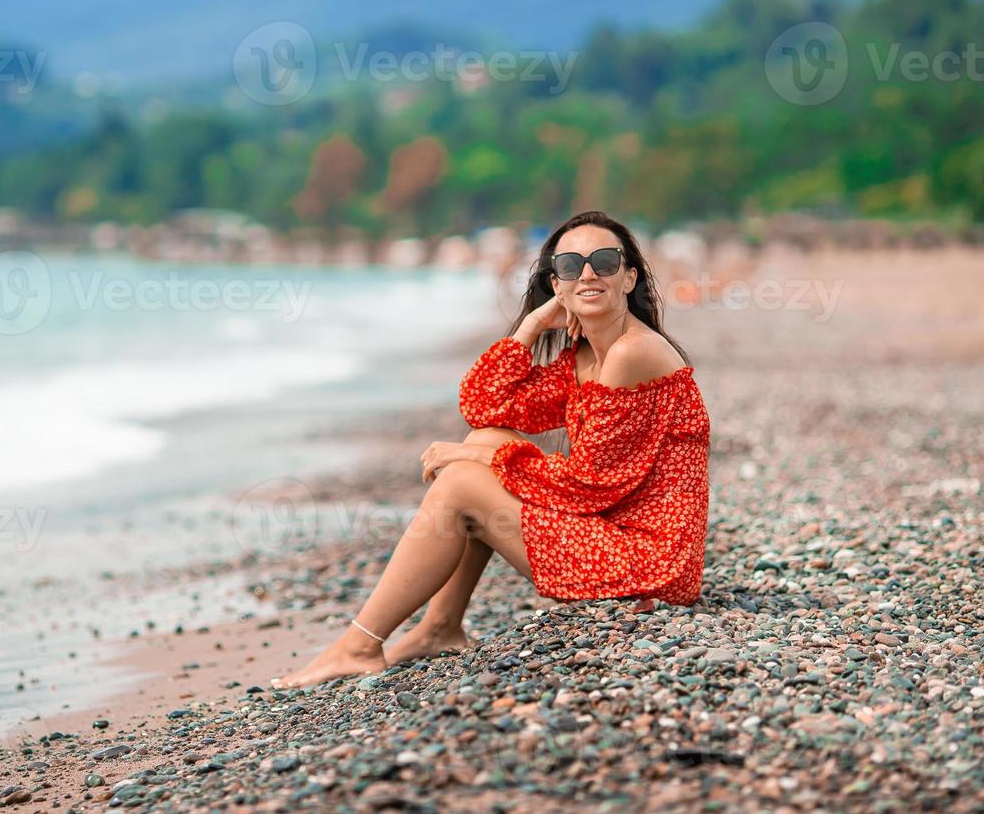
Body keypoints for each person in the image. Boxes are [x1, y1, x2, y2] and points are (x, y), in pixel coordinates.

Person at [273, 211, 711, 689]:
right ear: (556, 283)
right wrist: (536, 322)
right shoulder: (584, 355)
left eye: (604, 261)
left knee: (466, 475)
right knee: (484, 440)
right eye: (570, 266)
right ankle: (439, 627)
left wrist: (477, 462)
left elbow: (589, 484)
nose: (588, 273)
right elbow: (486, 407)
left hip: (651, 565)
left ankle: (358, 646)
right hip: (616, 531)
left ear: (629, 277)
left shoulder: (632, 353)